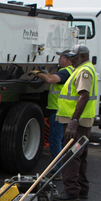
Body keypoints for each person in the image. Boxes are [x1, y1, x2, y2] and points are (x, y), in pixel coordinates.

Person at [55, 44, 97, 201]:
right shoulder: (83, 69)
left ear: (83, 57)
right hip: (81, 121)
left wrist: (73, 121)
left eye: (75, 57)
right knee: (80, 154)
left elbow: (83, 96)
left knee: (71, 155)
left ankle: (71, 191)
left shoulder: (84, 71)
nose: (71, 59)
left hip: (77, 122)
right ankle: (81, 189)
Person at [31, 51, 73, 180]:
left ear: (67, 59)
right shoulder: (71, 71)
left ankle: (57, 170)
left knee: (55, 141)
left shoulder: (66, 72)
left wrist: (38, 73)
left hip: (59, 111)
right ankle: (63, 168)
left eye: (61, 58)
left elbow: (50, 80)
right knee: (61, 141)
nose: (59, 60)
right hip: (63, 111)